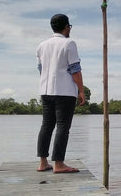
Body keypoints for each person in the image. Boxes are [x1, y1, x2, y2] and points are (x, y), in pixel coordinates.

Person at [35, 14, 85, 173]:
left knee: (46, 125)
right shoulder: (69, 43)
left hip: (45, 91)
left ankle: (43, 163)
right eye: (69, 26)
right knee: (63, 127)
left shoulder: (42, 45)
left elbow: (40, 69)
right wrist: (81, 91)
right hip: (64, 91)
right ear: (67, 27)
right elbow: (75, 69)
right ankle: (59, 164)